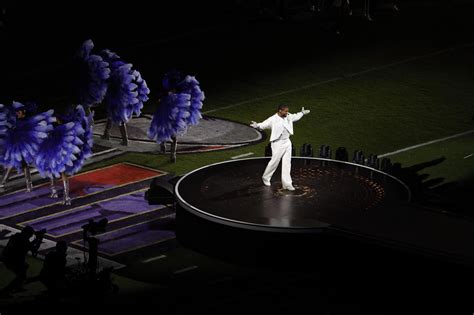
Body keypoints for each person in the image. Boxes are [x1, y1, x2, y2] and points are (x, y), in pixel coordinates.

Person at [250, 104, 310, 190]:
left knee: (287, 163)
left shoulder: (288, 116)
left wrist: (302, 113)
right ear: (280, 111)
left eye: (287, 111)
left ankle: (287, 184)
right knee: (274, 162)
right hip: (277, 143)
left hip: (287, 142)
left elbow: (295, 116)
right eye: (285, 111)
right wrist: (257, 125)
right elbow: (264, 124)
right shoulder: (273, 119)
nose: (287, 112)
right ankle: (266, 178)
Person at [0, 226, 44, 295]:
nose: (30, 236)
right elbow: (33, 249)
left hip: (8, 257)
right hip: (12, 260)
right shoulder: (24, 240)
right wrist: (39, 239)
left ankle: (18, 286)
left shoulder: (17, 236)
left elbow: (28, 245)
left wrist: (37, 239)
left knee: (24, 268)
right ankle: (5, 292)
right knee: (21, 276)